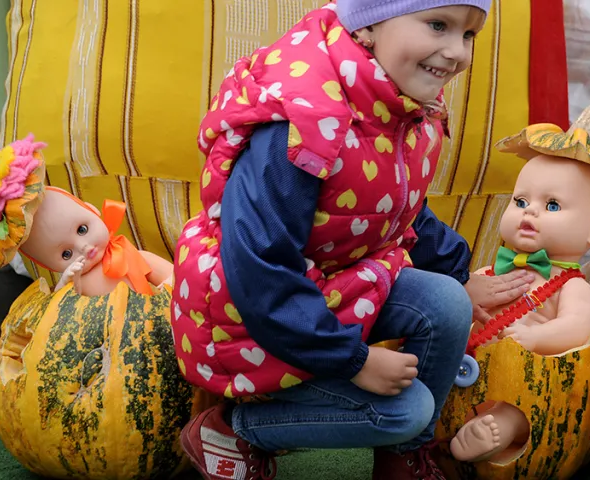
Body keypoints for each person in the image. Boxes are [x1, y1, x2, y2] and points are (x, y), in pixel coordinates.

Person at [172, 1, 535, 479]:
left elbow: (390, 204)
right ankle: (235, 428)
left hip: (334, 287)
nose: (456, 52)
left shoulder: (397, 102)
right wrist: (354, 361)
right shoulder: (300, 122)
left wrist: (460, 275)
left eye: (468, 34)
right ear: (368, 26)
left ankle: (405, 457)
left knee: (447, 303)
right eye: (437, 25)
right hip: (246, 317)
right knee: (405, 410)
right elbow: (261, 265)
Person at [448, 99, 590, 464]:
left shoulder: (572, 286)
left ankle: (497, 434)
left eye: (552, 205)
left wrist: (536, 337)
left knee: (523, 409)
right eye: (521, 201)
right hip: (467, 364)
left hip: (523, 380)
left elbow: (575, 326)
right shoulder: (493, 269)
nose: (531, 211)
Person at [0, 135, 172, 297]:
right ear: (50, 266)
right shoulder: (76, 284)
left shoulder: (130, 255)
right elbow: (59, 317)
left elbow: (173, 277)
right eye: (66, 254)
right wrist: (67, 284)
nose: (84, 247)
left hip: (154, 321)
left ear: (92, 210)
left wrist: (168, 295)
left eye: (82, 229)